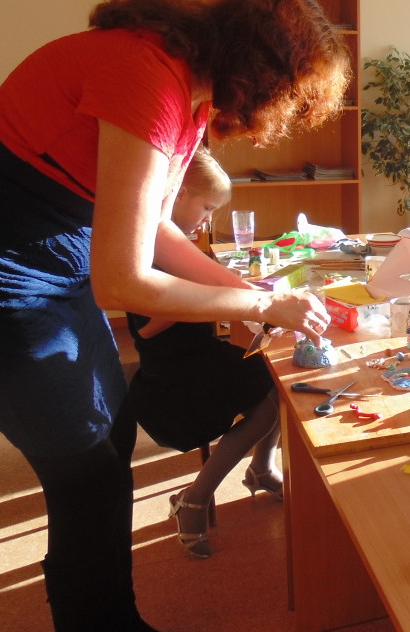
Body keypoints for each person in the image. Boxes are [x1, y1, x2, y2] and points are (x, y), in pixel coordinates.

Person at [0, 0, 349, 632]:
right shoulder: (147, 76)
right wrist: (261, 302)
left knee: (112, 431)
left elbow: (157, 231)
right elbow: (122, 282)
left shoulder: (187, 91)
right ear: (264, 77)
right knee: (87, 475)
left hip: (55, 257)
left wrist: (254, 300)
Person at [127, 147, 284, 559]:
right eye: (207, 207)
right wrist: (206, 296)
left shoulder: (178, 245)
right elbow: (145, 328)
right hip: (172, 373)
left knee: (277, 376)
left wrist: (224, 291)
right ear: (178, 194)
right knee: (267, 404)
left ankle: (261, 468)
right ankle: (193, 500)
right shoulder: (146, 248)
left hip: (198, 353)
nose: (208, 219)